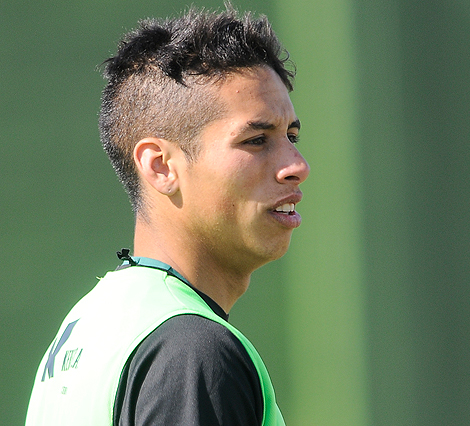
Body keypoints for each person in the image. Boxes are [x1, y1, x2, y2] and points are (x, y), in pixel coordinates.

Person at [25, 6, 309, 426]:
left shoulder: (84, 329)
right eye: (256, 140)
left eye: (292, 136)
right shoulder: (192, 351)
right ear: (160, 166)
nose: (297, 165)